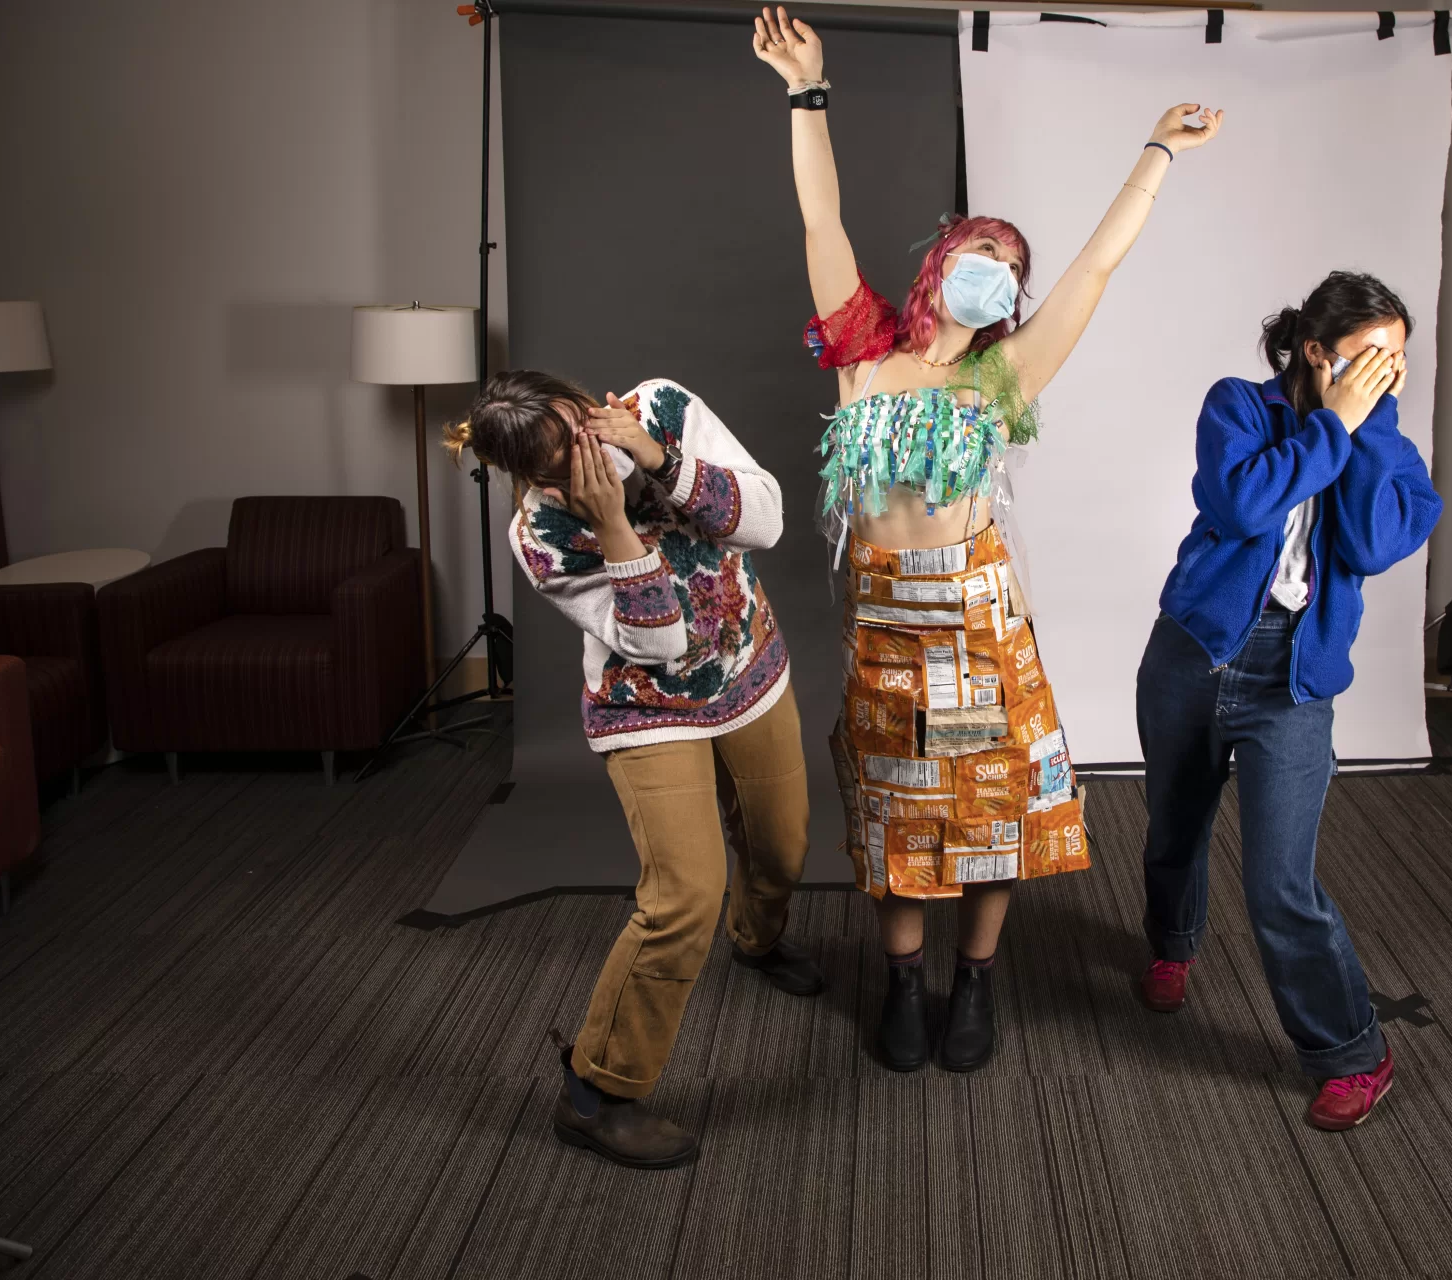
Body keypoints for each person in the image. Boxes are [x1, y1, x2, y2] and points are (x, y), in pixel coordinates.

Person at [752, 5, 1219, 1073]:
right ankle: (904, 983)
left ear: (1009, 293)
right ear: (939, 261)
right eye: (978, 248)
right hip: (882, 618)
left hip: (971, 614)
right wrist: (804, 92)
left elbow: (1094, 270)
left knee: (988, 807)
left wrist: (1154, 153)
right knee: (897, 812)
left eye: (1008, 263)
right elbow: (819, 222)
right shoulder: (863, 349)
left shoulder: (1003, 375)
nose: (993, 267)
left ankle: (976, 978)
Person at [447, 370, 819, 1169]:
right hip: (644, 710)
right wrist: (614, 524)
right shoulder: (542, 534)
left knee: (781, 847)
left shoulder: (662, 407)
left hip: (750, 671)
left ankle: (756, 940)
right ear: (534, 477)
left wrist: (657, 456)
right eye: (561, 457)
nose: (587, 450)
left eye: (582, 423)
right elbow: (660, 645)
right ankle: (596, 1091)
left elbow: (767, 522)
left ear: (587, 399)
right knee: (684, 894)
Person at [1135, 271, 1443, 1130]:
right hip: (1192, 654)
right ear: (1316, 351)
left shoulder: (1389, 446)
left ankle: (1354, 1054)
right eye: (1370, 355)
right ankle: (1171, 945)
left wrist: (1365, 425)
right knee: (1173, 827)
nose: (1388, 371)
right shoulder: (1237, 405)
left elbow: (1381, 542)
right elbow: (1238, 505)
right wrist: (1330, 423)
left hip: (1292, 680)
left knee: (1279, 881)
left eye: (1399, 359)